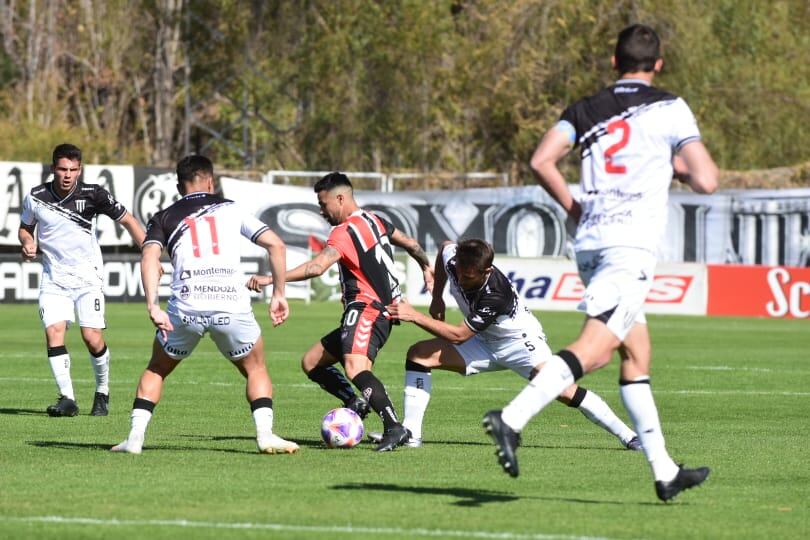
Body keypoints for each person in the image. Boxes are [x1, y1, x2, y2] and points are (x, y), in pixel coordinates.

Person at [482, 24, 719, 502]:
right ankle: (511, 419)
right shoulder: (670, 106)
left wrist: (573, 207)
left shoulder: (585, 109)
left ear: (613, 63)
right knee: (595, 351)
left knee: (636, 355)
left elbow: (542, 159)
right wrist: (675, 169)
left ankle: (664, 471)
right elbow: (707, 179)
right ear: (659, 64)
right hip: (629, 246)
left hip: (591, 241)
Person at [112, 155, 298, 455]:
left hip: (186, 308)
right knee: (255, 368)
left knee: (157, 368)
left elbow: (148, 258)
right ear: (211, 181)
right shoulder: (231, 208)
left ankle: (134, 439)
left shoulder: (164, 216)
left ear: (178, 186)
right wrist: (279, 293)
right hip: (231, 305)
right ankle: (265, 435)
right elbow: (276, 244)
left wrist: (153, 305)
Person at [381, 239, 640, 451]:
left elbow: (459, 335)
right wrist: (437, 297)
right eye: (458, 272)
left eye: (469, 277)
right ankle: (412, 434)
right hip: (483, 341)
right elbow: (445, 246)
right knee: (420, 355)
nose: (461, 279)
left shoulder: (496, 293)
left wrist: (414, 315)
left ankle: (629, 436)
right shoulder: (455, 261)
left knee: (563, 391)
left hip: (520, 343)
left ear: (487, 271)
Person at [247, 172, 434, 452]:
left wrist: (272, 278)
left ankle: (394, 428)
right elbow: (410, 243)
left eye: (324, 205)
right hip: (376, 312)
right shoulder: (375, 220)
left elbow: (316, 267)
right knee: (312, 362)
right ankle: (354, 402)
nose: (322, 211)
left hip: (367, 311)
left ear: (340, 198)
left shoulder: (345, 231)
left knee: (355, 367)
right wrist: (425, 266)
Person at [18, 143, 145, 417]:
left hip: (89, 279)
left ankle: (102, 391)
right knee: (54, 332)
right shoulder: (36, 197)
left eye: (73, 170)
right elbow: (25, 228)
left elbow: (129, 221)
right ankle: (67, 399)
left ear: (80, 170)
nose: (67, 175)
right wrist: (27, 242)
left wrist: (150, 253)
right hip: (54, 279)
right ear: (53, 169)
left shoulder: (93, 194)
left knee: (92, 338)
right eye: (62, 169)